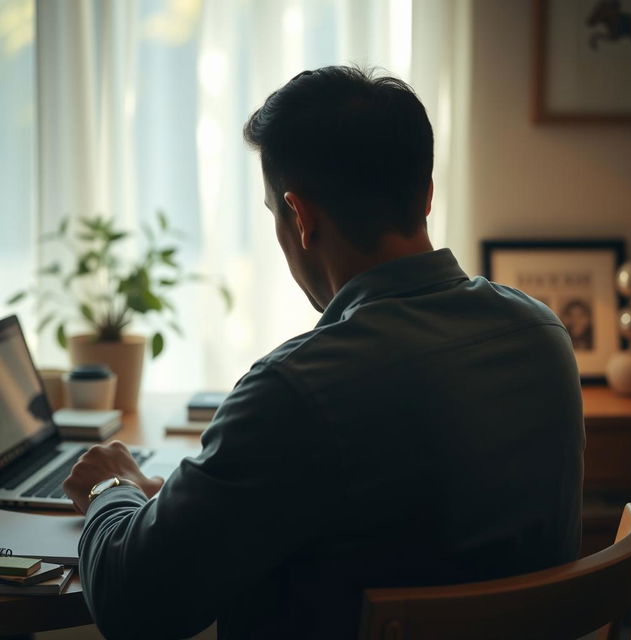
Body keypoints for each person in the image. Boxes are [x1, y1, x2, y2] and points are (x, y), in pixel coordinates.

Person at [64, 66, 584, 640]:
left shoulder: (295, 389)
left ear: (302, 217)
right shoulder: (543, 335)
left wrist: (111, 488)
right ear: (427, 194)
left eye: (274, 216)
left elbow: (129, 605)